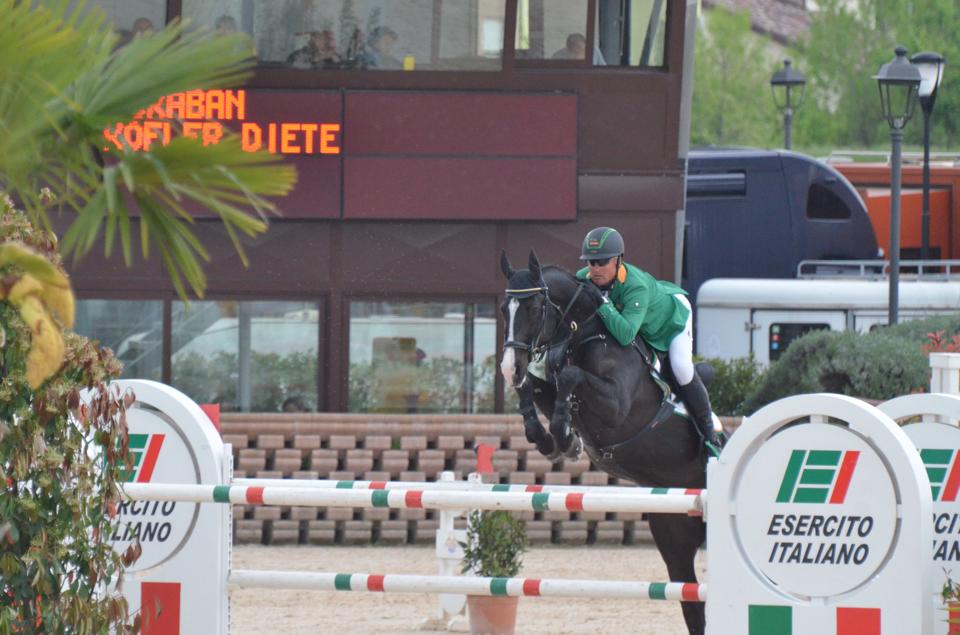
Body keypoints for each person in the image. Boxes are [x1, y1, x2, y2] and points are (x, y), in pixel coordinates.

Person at [576, 226, 721, 449]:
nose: (595, 269)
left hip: (671, 320)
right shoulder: (583, 279)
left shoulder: (636, 286)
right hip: (642, 325)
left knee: (681, 369)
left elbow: (625, 336)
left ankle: (710, 435)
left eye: (602, 262)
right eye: (591, 262)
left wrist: (602, 302)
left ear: (618, 260)